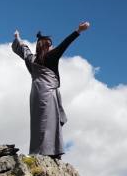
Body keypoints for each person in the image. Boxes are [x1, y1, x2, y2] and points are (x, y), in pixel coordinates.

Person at [12, 22, 90, 158]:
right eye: (51, 45)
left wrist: (17, 38)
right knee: (50, 122)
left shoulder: (31, 59)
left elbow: (23, 49)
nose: (53, 47)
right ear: (47, 47)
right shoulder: (50, 56)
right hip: (48, 93)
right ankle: (51, 152)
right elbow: (64, 44)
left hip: (35, 94)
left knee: (38, 123)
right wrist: (78, 30)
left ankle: (39, 150)